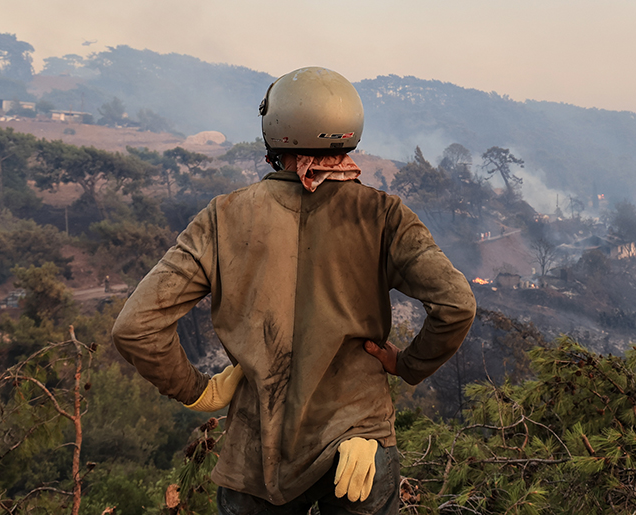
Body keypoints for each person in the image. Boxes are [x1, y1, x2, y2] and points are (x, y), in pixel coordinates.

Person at [112, 67, 476, 514]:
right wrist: (408, 364)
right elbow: (457, 305)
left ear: (273, 136)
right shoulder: (384, 216)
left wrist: (197, 391)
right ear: (350, 137)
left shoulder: (223, 218)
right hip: (358, 447)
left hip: (256, 460)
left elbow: (135, 327)